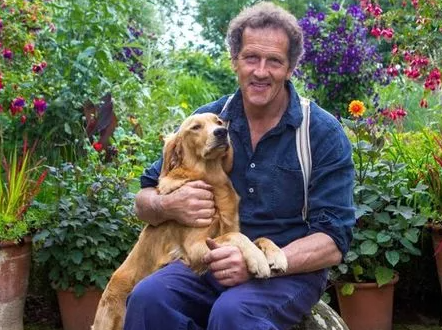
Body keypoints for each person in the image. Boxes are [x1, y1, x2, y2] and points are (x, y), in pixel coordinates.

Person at [125, 2, 355, 329]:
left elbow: (334, 239)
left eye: (274, 61)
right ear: (235, 61)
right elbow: (143, 198)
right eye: (251, 58)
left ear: (290, 68)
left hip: (287, 270)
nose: (261, 71)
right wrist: (167, 205)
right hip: (208, 259)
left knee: (233, 313)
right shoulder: (206, 122)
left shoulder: (320, 133)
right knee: (149, 298)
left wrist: (262, 263)